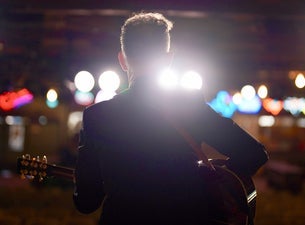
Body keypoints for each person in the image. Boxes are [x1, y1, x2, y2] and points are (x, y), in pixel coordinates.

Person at [73, 12, 268, 225]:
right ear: (168, 59)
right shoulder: (189, 104)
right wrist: (210, 180)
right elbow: (254, 153)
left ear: (122, 59)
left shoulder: (97, 117)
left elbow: (86, 202)